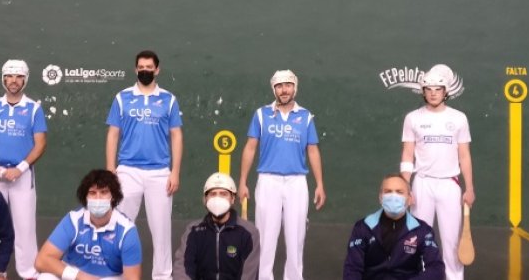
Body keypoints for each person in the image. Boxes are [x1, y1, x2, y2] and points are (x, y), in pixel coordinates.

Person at [238, 69, 326, 280]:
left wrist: (320, 184)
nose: (284, 89)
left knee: (296, 238)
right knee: (266, 237)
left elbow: (312, 150)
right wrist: (242, 181)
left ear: (294, 87)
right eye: (279, 85)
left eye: (288, 85)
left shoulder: (305, 116)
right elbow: (250, 147)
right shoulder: (262, 114)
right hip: (268, 181)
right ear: (274, 89)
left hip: (297, 182)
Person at [106, 49, 183, 280]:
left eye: (150, 67)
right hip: (127, 171)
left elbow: (176, 135)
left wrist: (175, 172)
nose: (145, 71)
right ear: (135, 69)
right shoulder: (122, 97)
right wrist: (111, 171)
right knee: (119, 226)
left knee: (161, 230)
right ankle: (115, 274)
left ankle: (162, 276)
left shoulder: (169, 99)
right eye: (141, 67)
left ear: (157, 70)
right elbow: (113, 134)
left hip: (160, 172)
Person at [399, 64, 473, 280]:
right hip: (422, 184)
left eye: (438, 88)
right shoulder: (413, 118)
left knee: (451, 241)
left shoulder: (459, 118)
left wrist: (469, 188)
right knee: (418, 239)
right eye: (429, 88)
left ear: (445, 91)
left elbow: (465, 156)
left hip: (450, 185)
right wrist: (405, 187)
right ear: (423, 91)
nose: (433, 92)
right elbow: (407, 155)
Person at [0, 59, 48, 280]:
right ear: (3, 78)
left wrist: (20, 168)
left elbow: (40, 144)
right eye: (10, 76)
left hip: (22, 175)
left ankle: (29, 273)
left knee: (24, 226)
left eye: (18, 76)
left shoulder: (34, 108)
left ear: (25, 80)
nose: (14, 80)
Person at [36, 168, 143, 280]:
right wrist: (80, 277)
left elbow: (132, 278)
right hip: (75, 276)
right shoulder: (73, 220)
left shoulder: (127, 230)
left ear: (114, 197)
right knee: (45, 277)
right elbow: (41, 260)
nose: (98, 198)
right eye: (92, 193)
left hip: (109, 278)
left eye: (104, 192)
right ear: (85, 198)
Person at [342, 174, 445, 280]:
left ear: (409, 199)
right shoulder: (363, 228)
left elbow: (436, 269)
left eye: (399, 192)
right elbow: (352, 269)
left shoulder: (422, 231)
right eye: (388, 191)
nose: (393, 196)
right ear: (380, 198)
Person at [174, 172, 261, 280]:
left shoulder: (249, 233)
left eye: (223, 194)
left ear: (232, 198)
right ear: (205, 200)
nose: (217, 198)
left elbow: (249, 274)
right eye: (213, 194)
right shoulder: (193, 231)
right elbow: (182, 268)